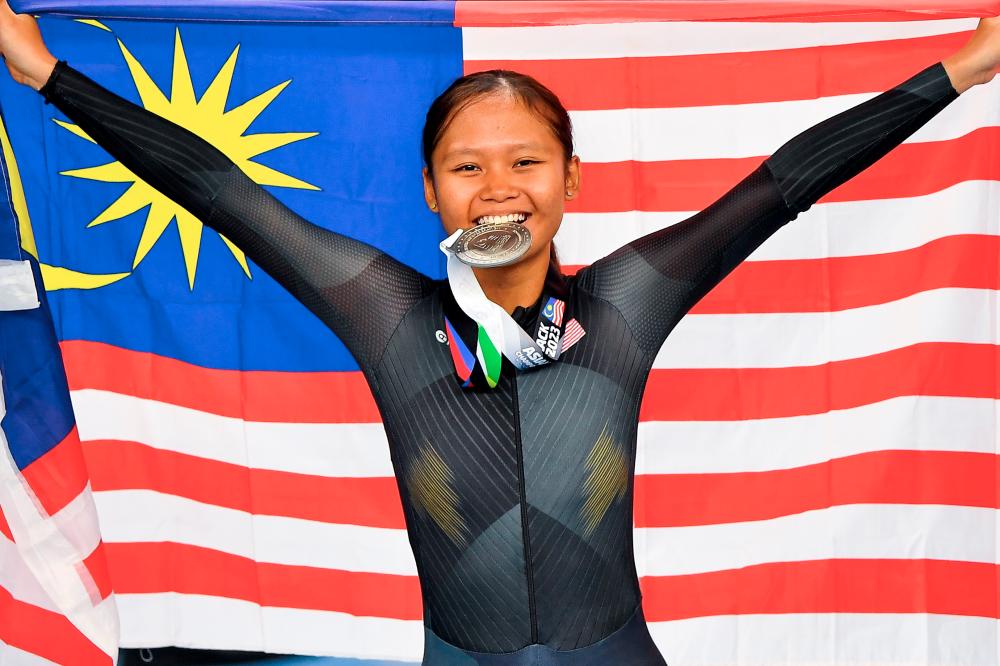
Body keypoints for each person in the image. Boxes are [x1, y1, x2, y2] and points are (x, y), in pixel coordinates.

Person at [2, 2, 998, 663]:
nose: (498, 189)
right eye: (467, 167)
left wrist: (960, 70)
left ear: (571, 183)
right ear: (431, 190)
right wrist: (45, 72)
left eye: (525, 163)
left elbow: (785, 181)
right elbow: (222, 192)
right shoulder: (385, 310)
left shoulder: (624, 303)